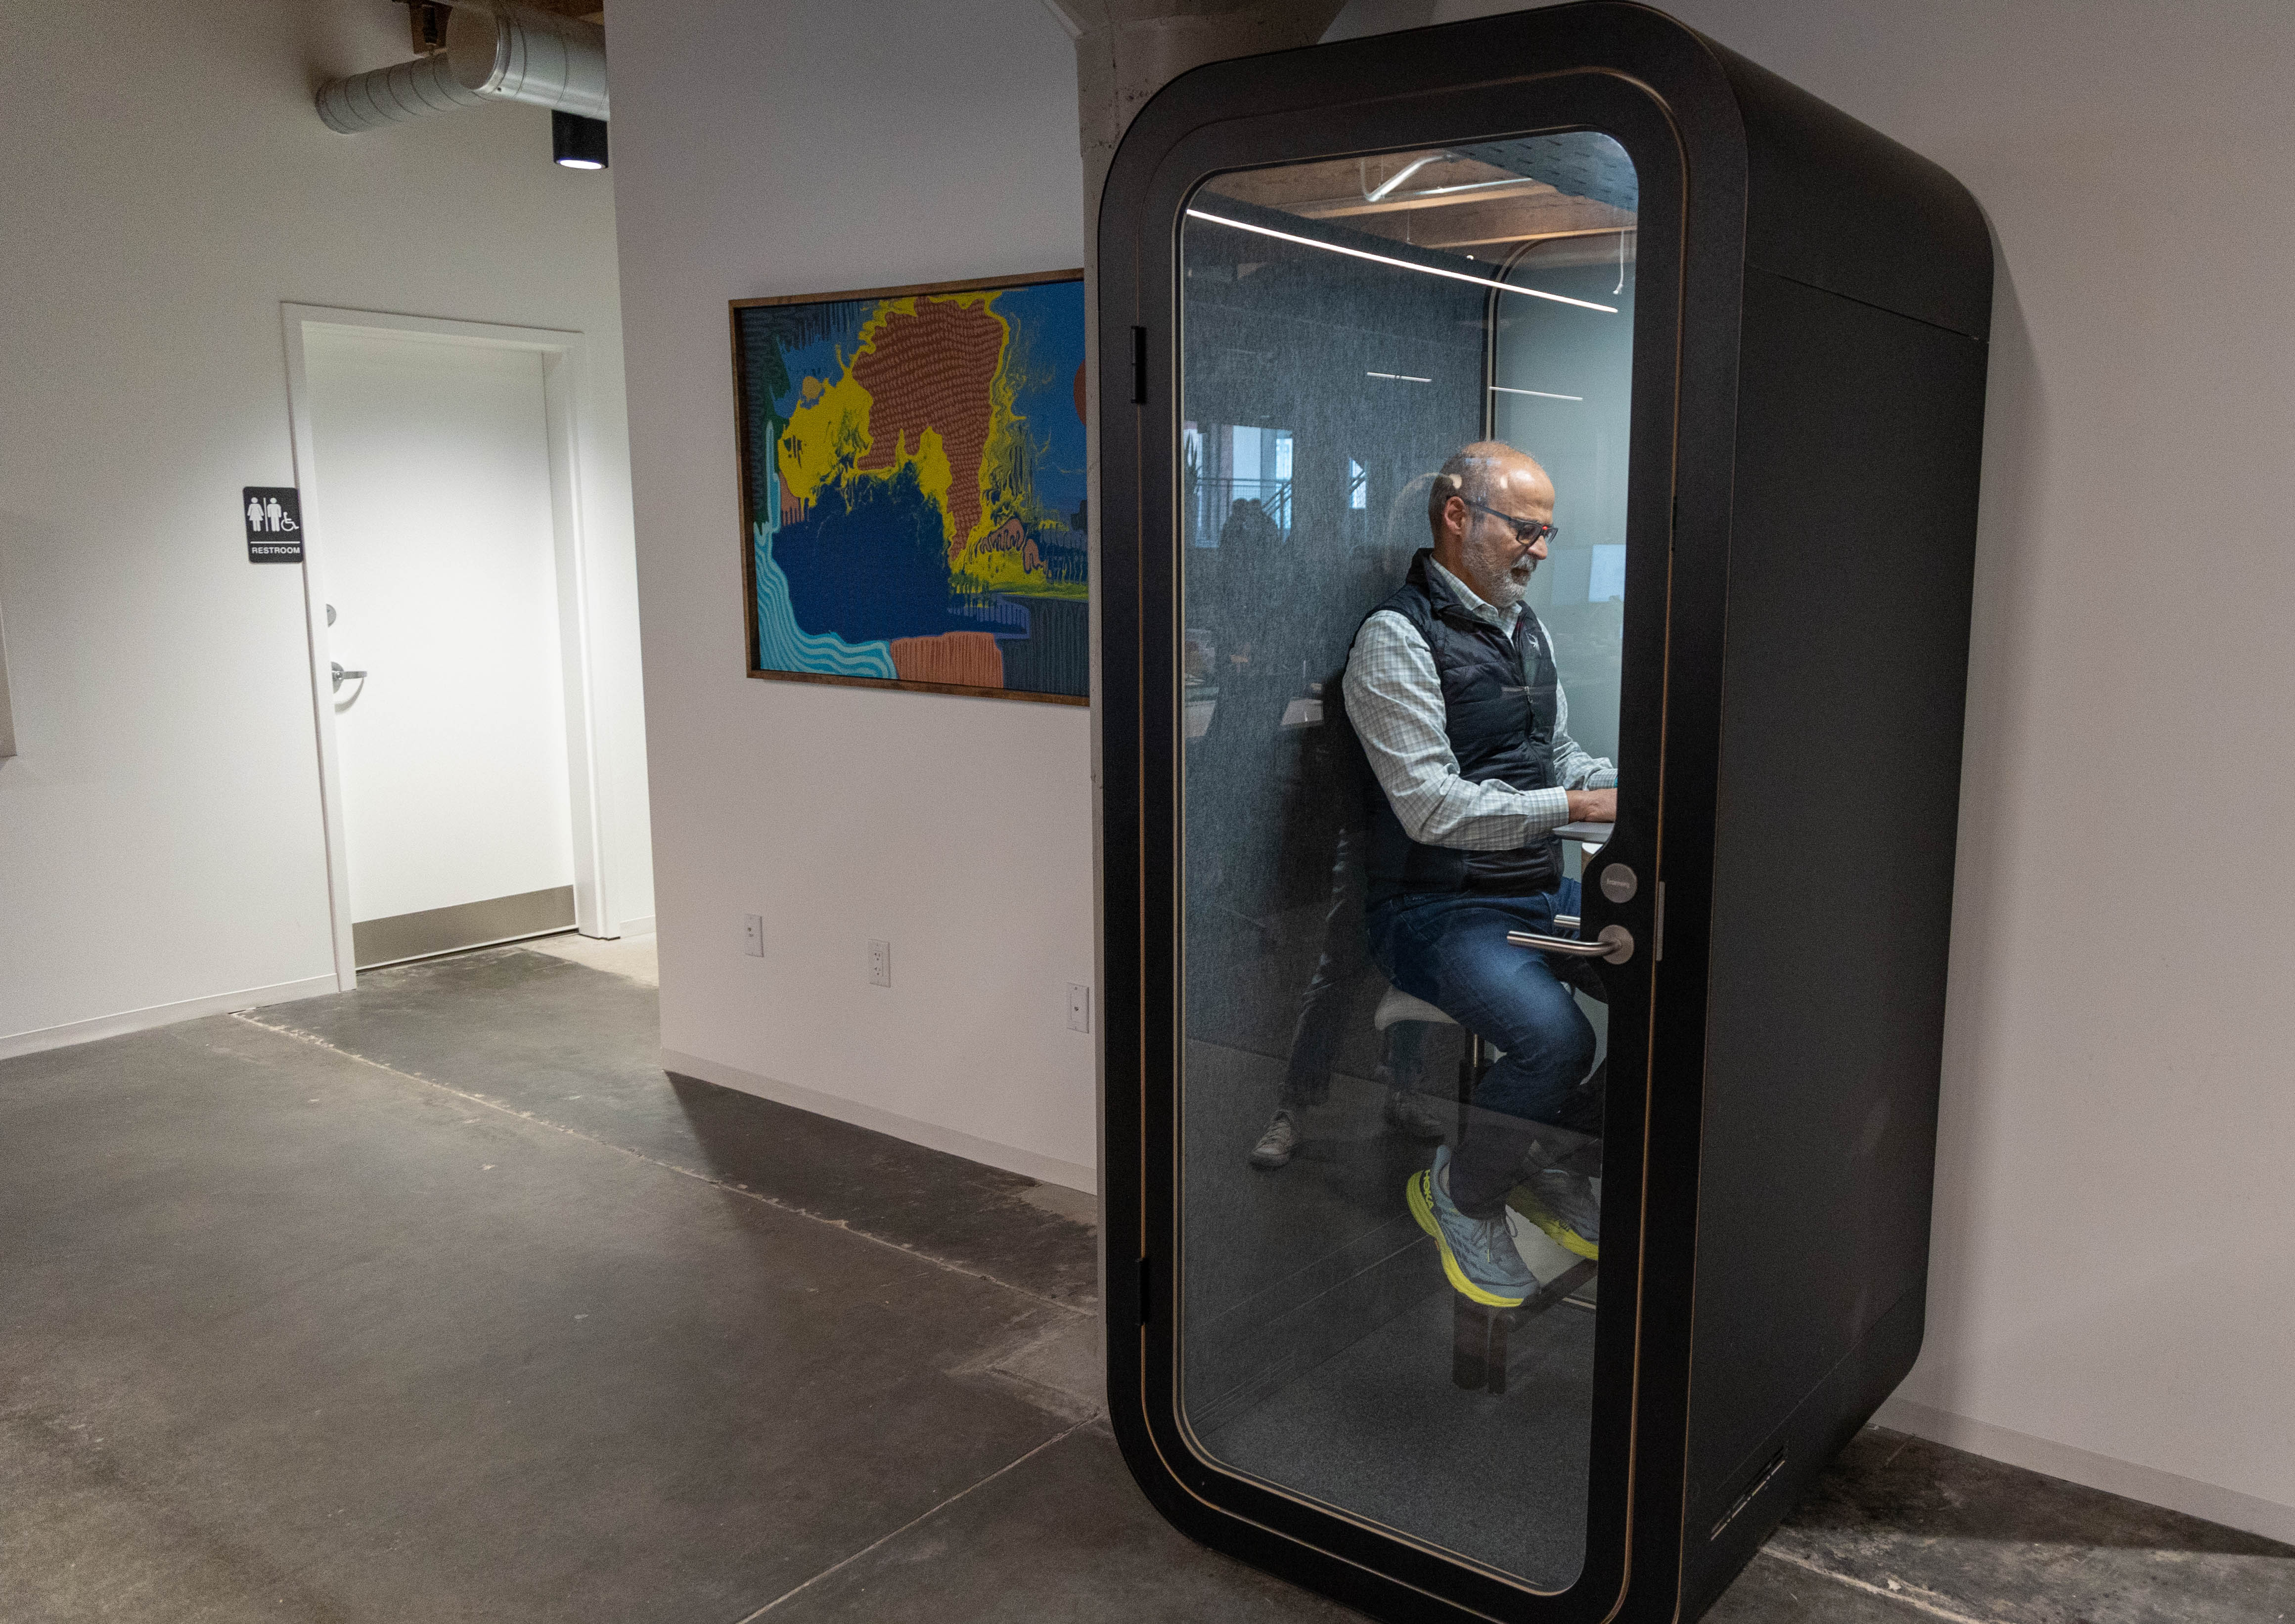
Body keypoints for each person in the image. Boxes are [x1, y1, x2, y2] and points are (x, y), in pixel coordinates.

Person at [1342, 441, 1616, 1308]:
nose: (1539, 550)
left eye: (1548, 532)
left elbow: (1557, 756)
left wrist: (1624, 785)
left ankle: (1544, 1154)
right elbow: (1430, 807)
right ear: (1458, 517)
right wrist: (1575, 810)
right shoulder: (1393, 639)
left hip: (1528, 885)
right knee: (1557, 1039)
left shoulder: (1522, 628)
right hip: (1433, 907)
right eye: (1525, 529)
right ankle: (1464, 1194)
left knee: (1675, 982)